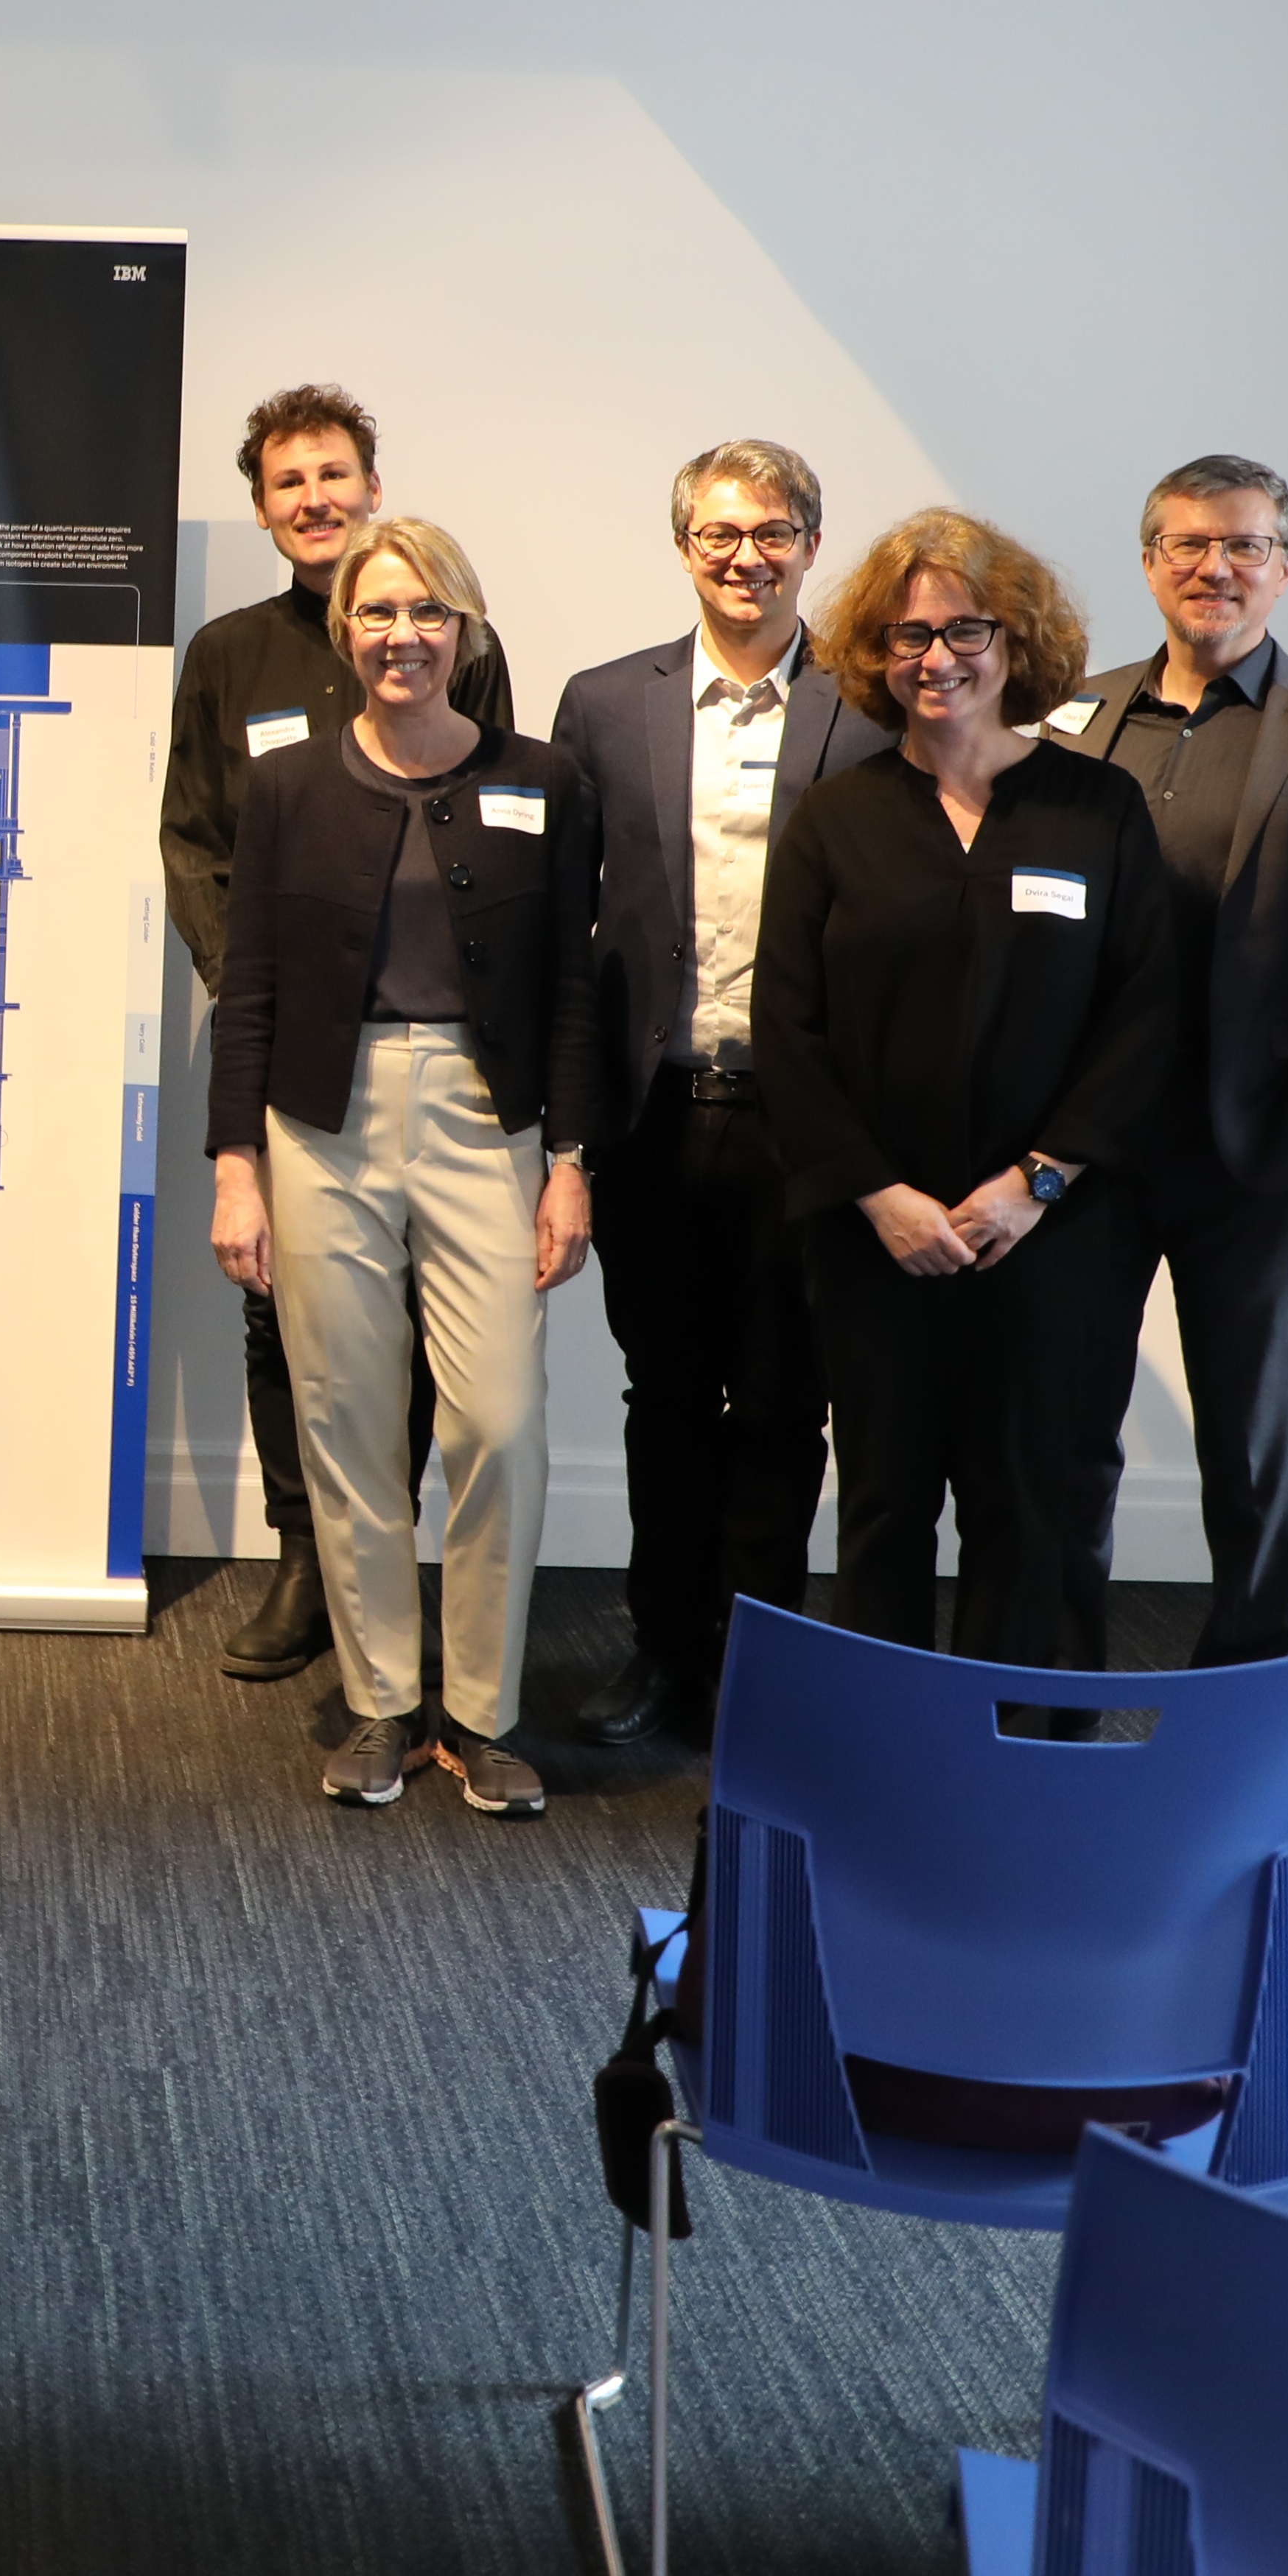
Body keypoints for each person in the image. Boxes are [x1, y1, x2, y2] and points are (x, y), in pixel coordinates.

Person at [207, 516, 601, 1813]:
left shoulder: (546, 781)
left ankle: (481, 1713)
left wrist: (571, 1163)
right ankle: (380, 1701)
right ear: (345, 632)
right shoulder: (291, 788)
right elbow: (251, 986)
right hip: (321, 1121)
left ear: (465, 631)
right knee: (347, 1421)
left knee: (500, 1421)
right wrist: (235, 1168)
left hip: (491, 1122)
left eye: (427, 613)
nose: (402, 636)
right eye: (378, 613)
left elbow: (568, 993)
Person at [752, 511, 1177, 1667]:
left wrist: (1037, 1181)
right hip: (876, 1236)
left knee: (1040, 1503)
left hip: (1054, 1232)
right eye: (906, 637)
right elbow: (785, 1029)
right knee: (885, 1507)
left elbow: (1148, 1015)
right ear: (874, 658)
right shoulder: (837, 820)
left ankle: (1029, 1747)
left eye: (963, 630)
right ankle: (888, 1763)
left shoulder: (1098, 812)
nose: (935, 658)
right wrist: (878, 1196)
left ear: (1016, 641)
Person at [1043, 456, 1288, 1671]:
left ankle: (1250, 1683)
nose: (1215, 568)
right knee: (1063, 1436)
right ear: (1151, 560)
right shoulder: (1075, 717)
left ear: (1287, 566)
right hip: (1084, 1149)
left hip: (1252, 1144)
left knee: (1255, 1447)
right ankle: (1053, 1681)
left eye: (1245, 547)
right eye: (1188, 545)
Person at [159, 385, 509, 1681]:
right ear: (263, 510)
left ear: (372, 485)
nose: (313, 498)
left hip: (436, 1048)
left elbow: (492, 817)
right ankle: (309, 1559)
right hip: (284, 1039)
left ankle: (396, 1555)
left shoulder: (458, 635)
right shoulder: (227, 656)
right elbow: (193, 839)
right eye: (287, 482)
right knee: (281, 1315)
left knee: (424, 1315)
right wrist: (247, 972)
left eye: (333, 474)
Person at [550, 437, 889, 1746]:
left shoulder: (871, 706)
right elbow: (575, 939)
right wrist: (568, 1135)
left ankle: (762, 1663)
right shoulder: (604, 704)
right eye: (721, 535)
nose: (746, 558)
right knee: (669, 1401)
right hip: (654, 1118)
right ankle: (662, 1650)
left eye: (774, 533)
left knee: (787, 1408)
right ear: (684, 546)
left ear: (812, 542)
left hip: (807, 1127)